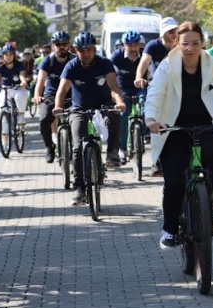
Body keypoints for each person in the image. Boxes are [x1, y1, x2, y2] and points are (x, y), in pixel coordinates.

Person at [144, 21, 213, 249]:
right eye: (185, 43)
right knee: (174, 181)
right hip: (173, 127)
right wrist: (151, 118)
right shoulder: (168, 66)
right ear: (177, 44)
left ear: (203, 43)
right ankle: (169, 228)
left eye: (196, 43)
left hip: (205, 123)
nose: (191, 48)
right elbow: (156, 93)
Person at [52, 32, 126, 206]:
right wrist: (58, 106)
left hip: (103, 104)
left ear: (94, 49)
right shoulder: (71, 66)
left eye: (90, 50)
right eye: (82, 50)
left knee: (115, 116)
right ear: (75, 50)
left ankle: (113, 153)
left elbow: (114, 87)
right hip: (79, 109)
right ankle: (79, 189)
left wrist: (120, 102)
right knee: (77, 147)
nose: (86, 54)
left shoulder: (104, 63)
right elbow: (62, 90)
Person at [134, 16, 179, 177]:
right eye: (171, 31)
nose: (175, 34)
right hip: (157, 88)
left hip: (176, 89)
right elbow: (144, 62)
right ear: (163, 33)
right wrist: (139, 77)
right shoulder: (153, 46)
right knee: (156, 124)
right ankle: (156, 162)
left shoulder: (180, 46)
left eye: (176, 31)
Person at [34, 31, 76, 162]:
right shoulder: (48, 61)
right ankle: (50, 147)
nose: (61, 47)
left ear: (69, 45)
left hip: (72, 96)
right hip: (51, 95)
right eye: (58, 44)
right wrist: (37, 95)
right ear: (53, 46)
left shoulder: (75, 59)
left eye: (64, 44)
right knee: (43, 120)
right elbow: (40, 81)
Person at [111, 30, 145, 164]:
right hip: (123, 88)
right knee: (123, 117)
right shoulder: (116, 56)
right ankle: (122, 149)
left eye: (135, 45)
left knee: (145, 106)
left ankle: (142, 137)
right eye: (129, 45)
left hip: (140, 87)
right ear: (124, 45)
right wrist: (112, 92)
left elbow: (152, 71)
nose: (133, 48)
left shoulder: (144, 55)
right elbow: (109, 74)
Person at [0, 44, 29, 133]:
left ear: (14, 55)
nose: (8, 57)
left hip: (18, 88)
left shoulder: (19, 65)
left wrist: (23, 82)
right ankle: (4, 135)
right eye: (6, 54)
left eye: (10, 54)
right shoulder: (0, 66)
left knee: (19, 97)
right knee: (3, 110)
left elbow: (22, 75)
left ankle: (21, 115)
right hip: (5, 90)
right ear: (3, 56)